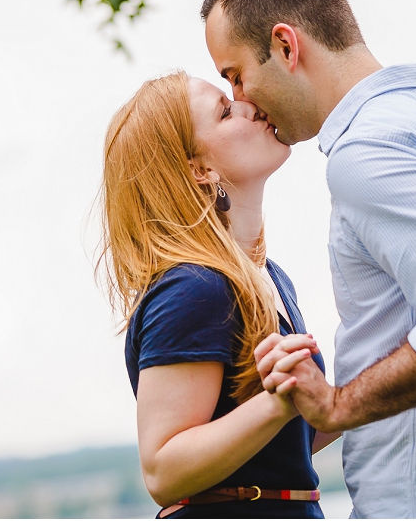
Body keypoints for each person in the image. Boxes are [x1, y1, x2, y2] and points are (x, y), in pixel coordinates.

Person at [200, 0, 416, 518]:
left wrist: (337, 404)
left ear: (286, 46)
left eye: (236, 76)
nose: (241, 101)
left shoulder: (364, 153)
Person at [99, 70, 339, 518]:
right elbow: (163, 471)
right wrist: (278, 403)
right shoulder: (197, 287)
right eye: (226, 112)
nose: (248, 105)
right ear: (199, 169)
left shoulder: (270, 277)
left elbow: (284, 447)